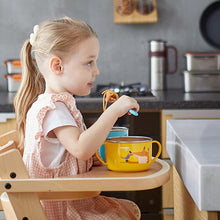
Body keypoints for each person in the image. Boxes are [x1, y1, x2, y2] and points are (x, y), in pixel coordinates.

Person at [14, 16, 140, 220]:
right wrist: (112, 112)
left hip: (68, 200)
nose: (96, 71)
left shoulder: (59, 104)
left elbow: (73, 153)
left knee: (129, 210)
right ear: (58, 66)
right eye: (89, 63)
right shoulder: (53, 109)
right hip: (61, 210)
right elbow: (81, 148)